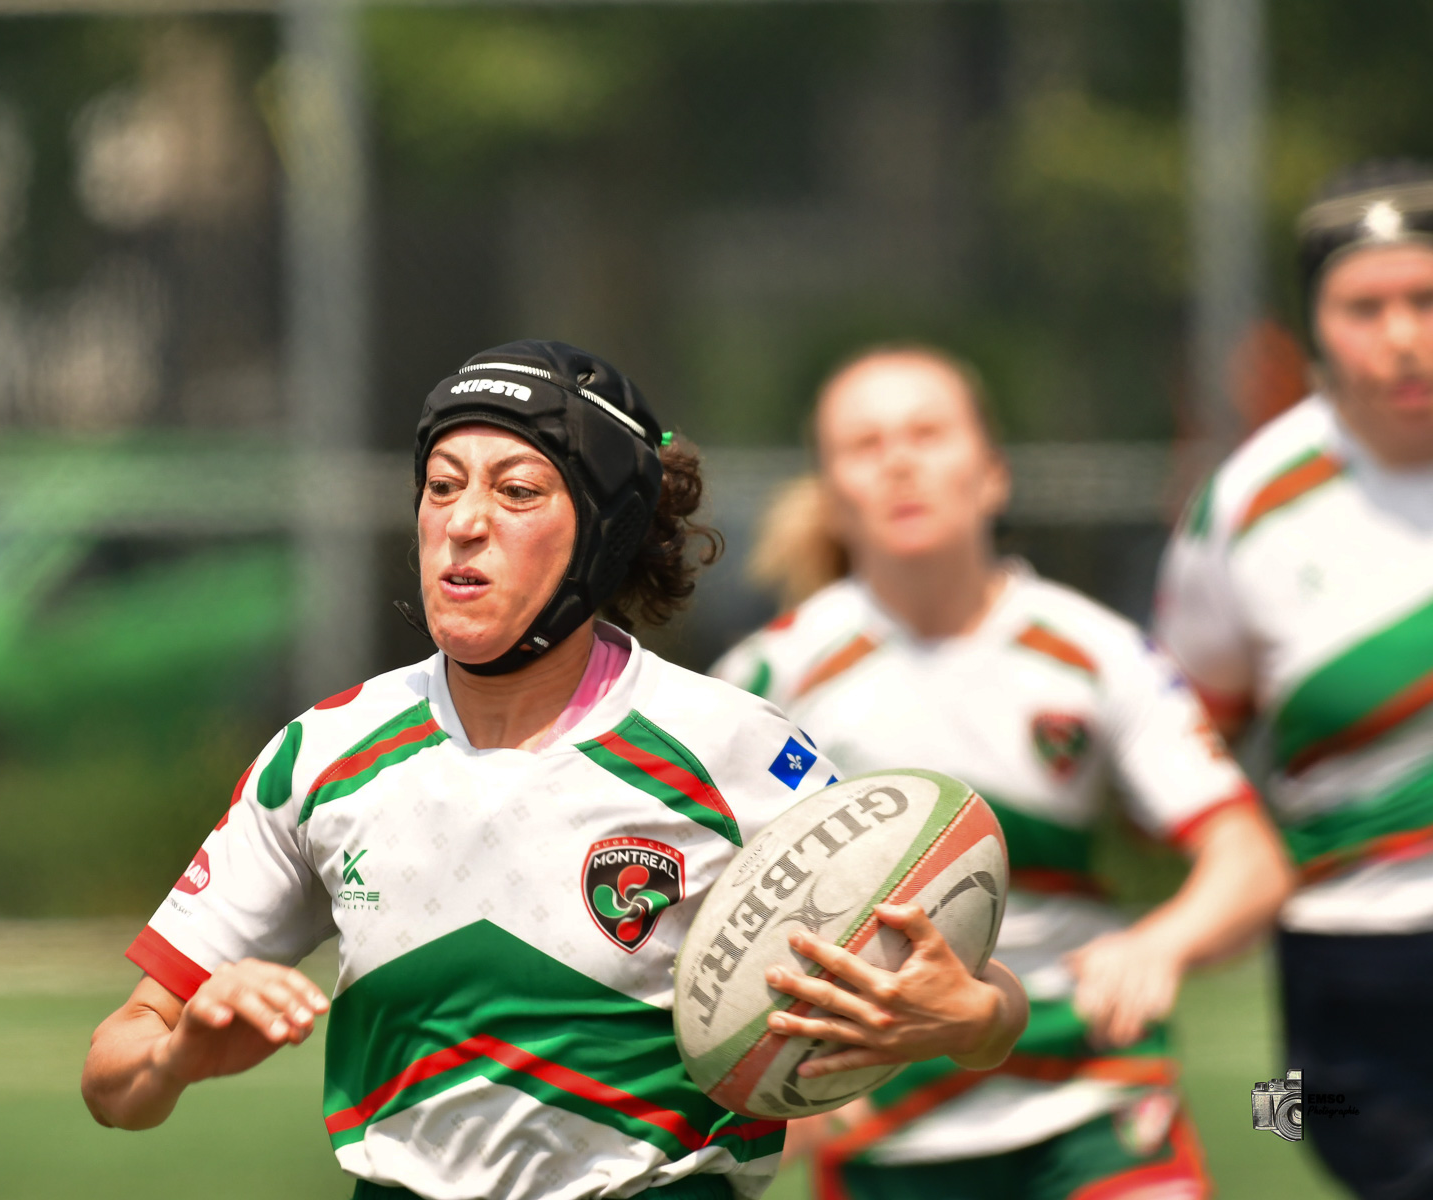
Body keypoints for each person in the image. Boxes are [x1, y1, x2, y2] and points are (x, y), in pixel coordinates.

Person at [80, 339, 1030, 1200]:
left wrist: (969, 1021)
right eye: (441, 485)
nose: (463, 522)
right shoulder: (326, 754)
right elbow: (112, 1076)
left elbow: (985, 996)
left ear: (604, 531)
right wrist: (177, 1057)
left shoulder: (729, 747)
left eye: (518, 491)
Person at [715, 345, 1293, 1200]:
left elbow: (1250, 863)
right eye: (866, 445)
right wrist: (765, 1071)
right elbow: (706, 911)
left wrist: (1161, 942)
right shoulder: (769, 681)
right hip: (881, 1116)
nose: (900, 462)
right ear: (832, 497)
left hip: (1092, 1090)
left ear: (993, 474)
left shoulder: (1096, 652)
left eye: (927, 434)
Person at [1156, 159, 1433, 1200]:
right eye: (1365, 307)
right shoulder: (1248, 505)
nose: (1402, 335)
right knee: (1290, 1115)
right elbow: (1182, 732)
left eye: (1426, 299)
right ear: (1314, 327)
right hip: (1342, 961)